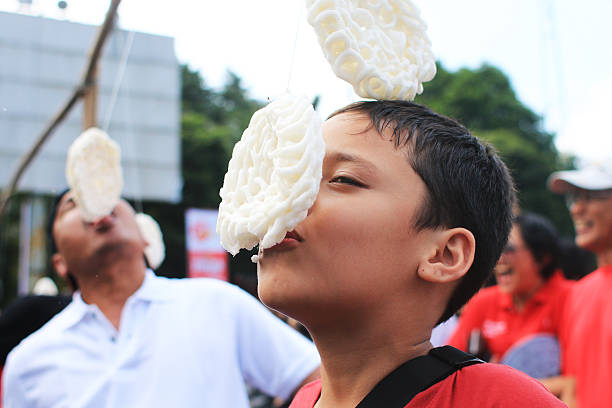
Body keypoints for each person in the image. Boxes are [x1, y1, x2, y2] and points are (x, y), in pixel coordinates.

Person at [257, 100, 566, 407]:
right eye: (294, 180)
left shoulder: (501, 401)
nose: (288, 201)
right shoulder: (304, 400)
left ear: (444, 254)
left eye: (343, 179)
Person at [2, 190, 320, 407]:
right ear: (59, 263)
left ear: (144, 237)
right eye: (73, 204)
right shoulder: (27, 363)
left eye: (109, 196)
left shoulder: (216, 303)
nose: (94, 205)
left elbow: (316, 377)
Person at [448, 213, 573, 377]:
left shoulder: (572, 299)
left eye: (508, 249)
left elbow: (576, 380)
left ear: (542, 258)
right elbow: (450, 370)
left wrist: (498, 381)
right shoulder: (482, 302)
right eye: (496, 249)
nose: (498, 259)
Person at [548, 163, 612, 408]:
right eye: (574, 199)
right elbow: (573, 384)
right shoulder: (579, 292)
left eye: (591, 197)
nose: (576, 208)